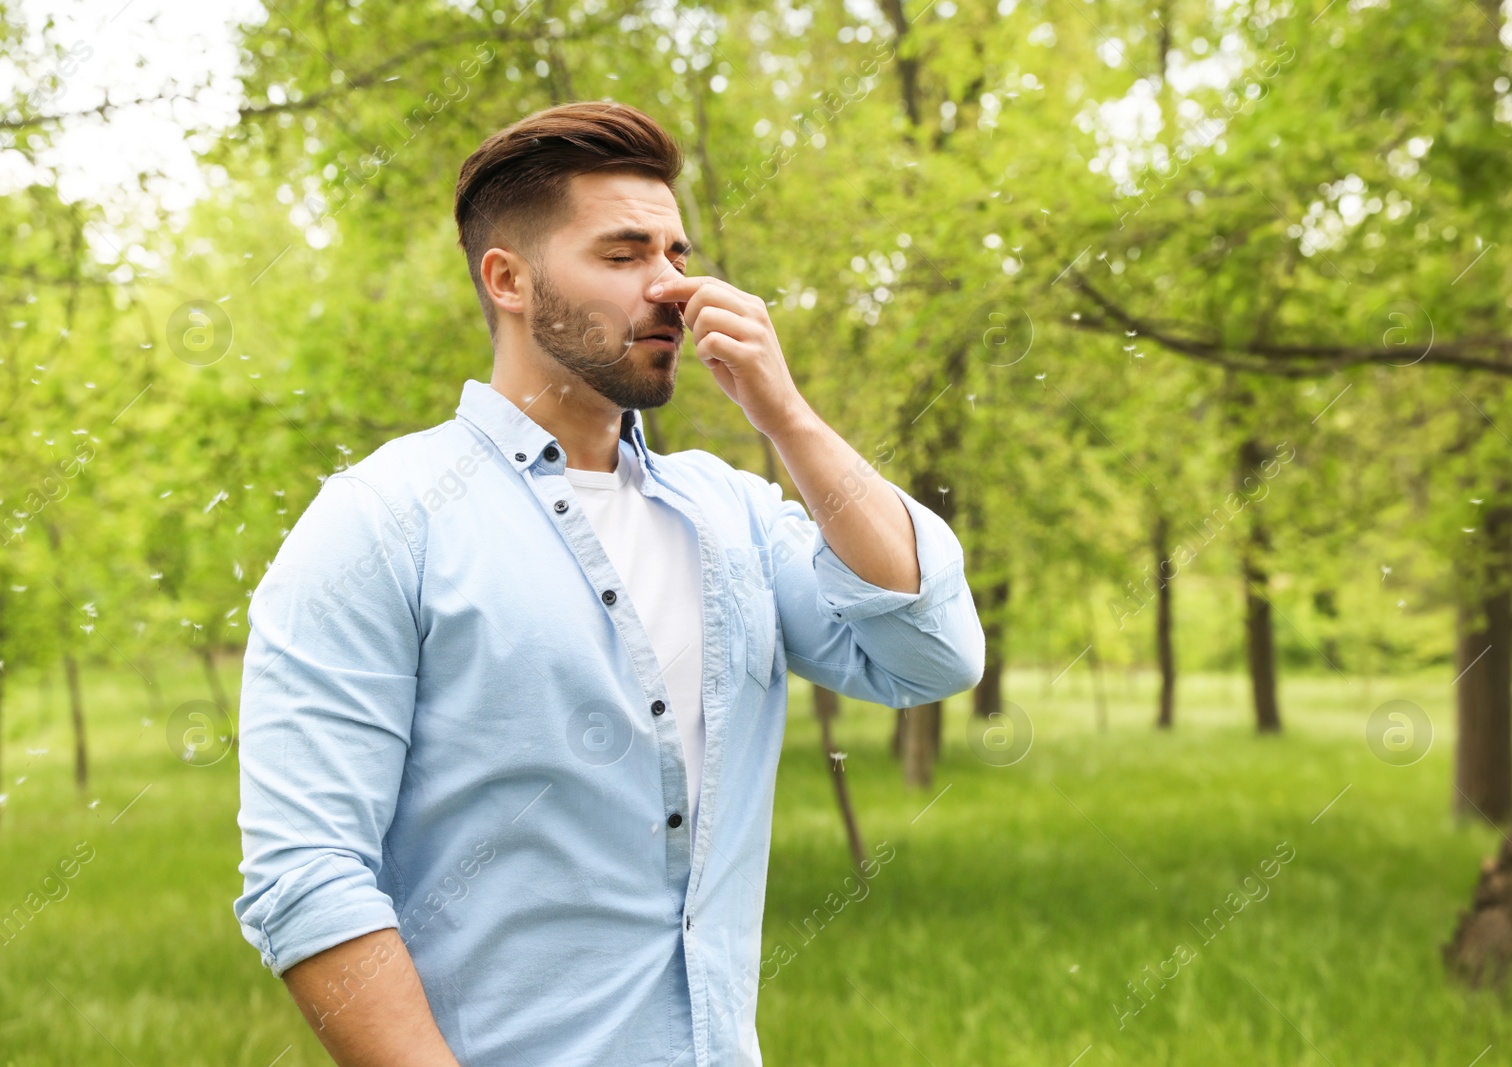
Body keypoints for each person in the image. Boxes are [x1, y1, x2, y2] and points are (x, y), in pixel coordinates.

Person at [233, 100, 984, 1067]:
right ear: (508, 279)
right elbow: (306, 872)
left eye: (678, 254)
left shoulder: (733, 513)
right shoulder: (382, 520)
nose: (673, 288)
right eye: (625, 255)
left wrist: (786, 415)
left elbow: (930, 652)